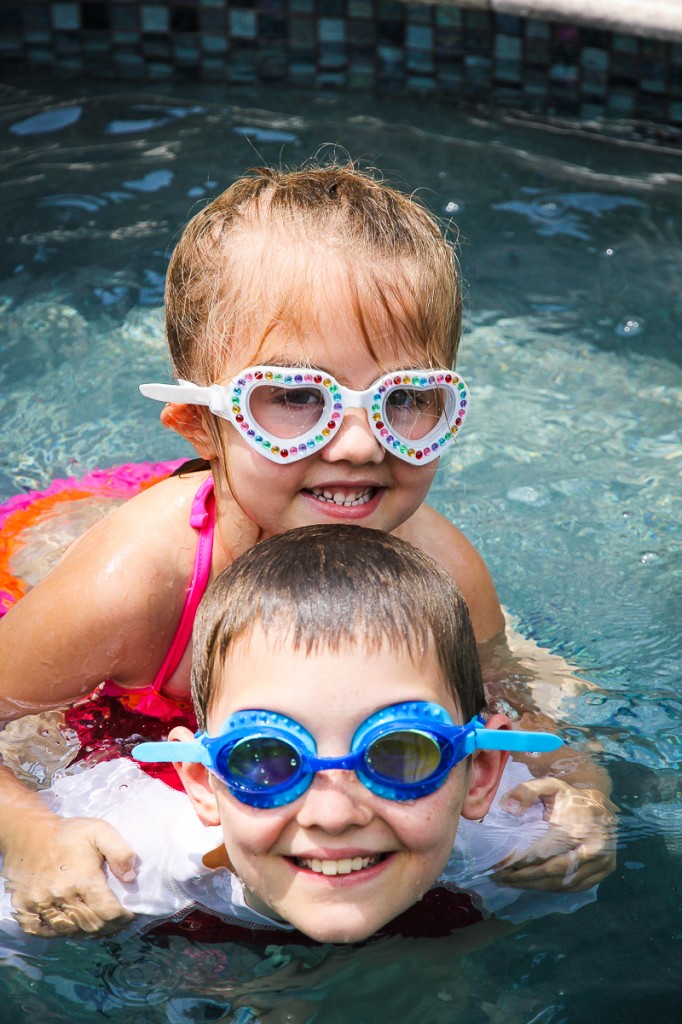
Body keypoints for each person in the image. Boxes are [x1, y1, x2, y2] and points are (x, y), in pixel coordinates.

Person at [0, 162, 615, 938]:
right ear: (200, 427)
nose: (359, 445)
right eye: (295, 398)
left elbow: (516, 699)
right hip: (125, 695)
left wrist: (582, 790)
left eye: (405, 400)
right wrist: (31, 837)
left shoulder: (440, 563)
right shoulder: (135, 580)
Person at [0, 526, 593, 944]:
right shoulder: (117, 875)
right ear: (202, 781)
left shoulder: (531, 842)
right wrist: (29, 834)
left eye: (402, 753)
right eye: (265, 759)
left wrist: (592, 805)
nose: (333, 816)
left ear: (480, 774)